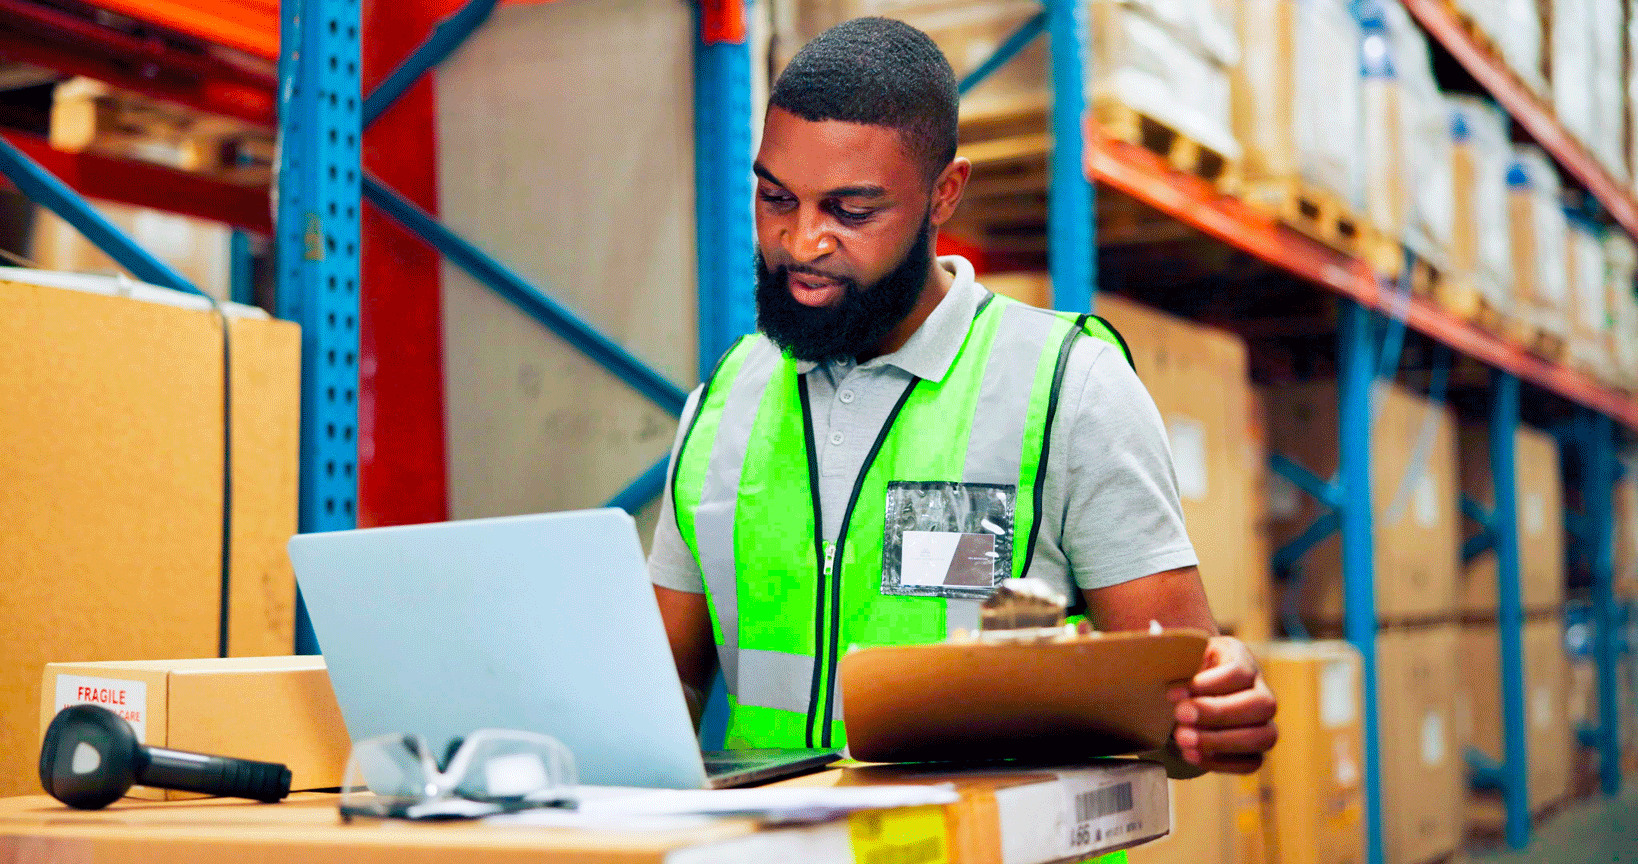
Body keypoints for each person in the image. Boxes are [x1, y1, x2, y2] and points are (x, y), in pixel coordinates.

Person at [648, 16, 1276, 775]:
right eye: (777, 198)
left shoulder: (1066, 386)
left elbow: (1175, 717)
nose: (802, 241)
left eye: (851, 211)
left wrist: (1215, 712)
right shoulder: (722, 404)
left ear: (944, 195)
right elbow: (655, 701)